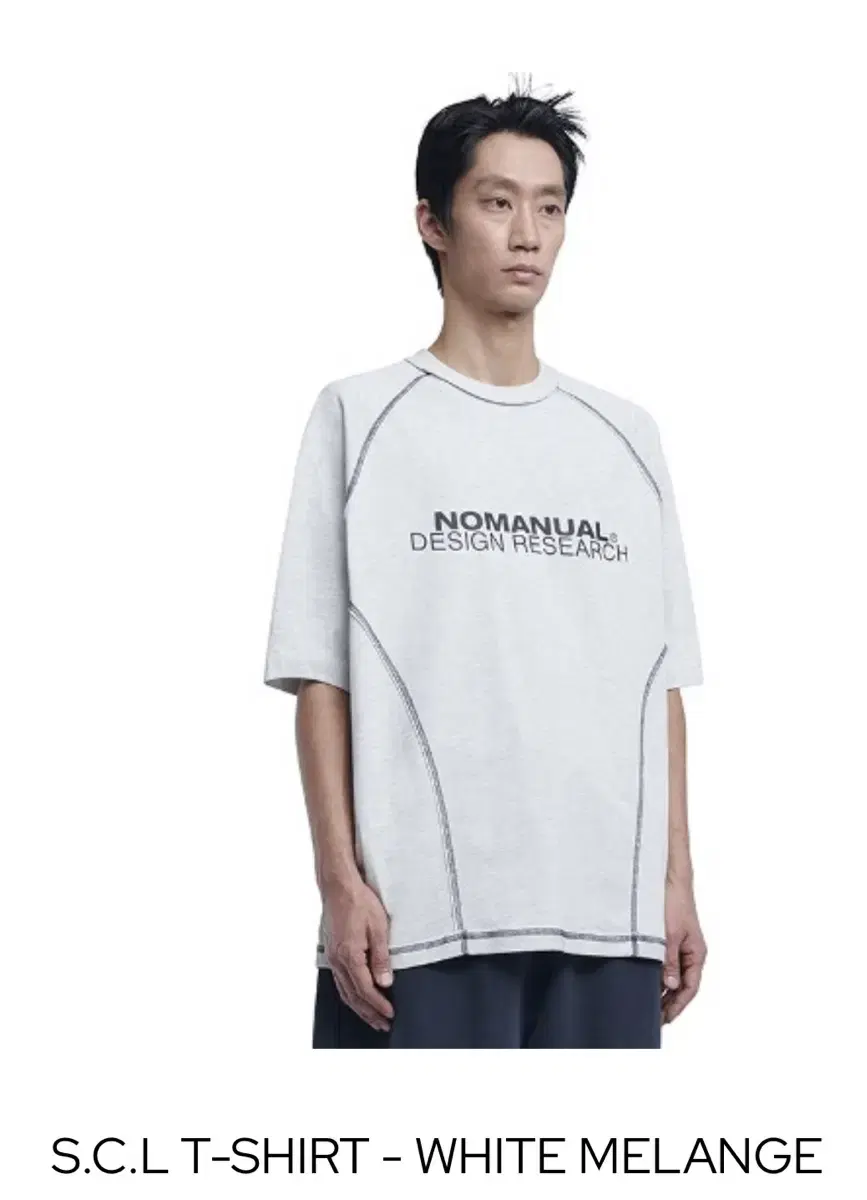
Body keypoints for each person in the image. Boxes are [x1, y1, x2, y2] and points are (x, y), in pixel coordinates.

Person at [263, 80, 707, 1048]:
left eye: (549, 207)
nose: (527, 235)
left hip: (609, 919)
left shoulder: (624, 437)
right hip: (420, 919)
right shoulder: (361, 418)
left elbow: (659, 682)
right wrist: (339, 883)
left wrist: (675, 882)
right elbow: (320, 675)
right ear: (432, 222)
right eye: (496, 202)